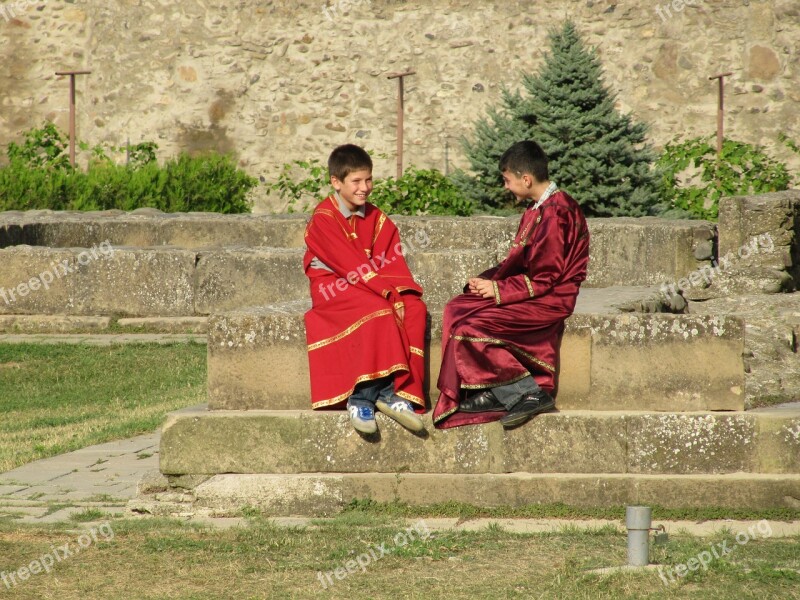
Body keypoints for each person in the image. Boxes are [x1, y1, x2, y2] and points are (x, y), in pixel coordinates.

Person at [433, 140, 590, 429]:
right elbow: (520, 262)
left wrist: (498, 290)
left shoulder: (557, 213)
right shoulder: (539, 208)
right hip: (533, 289)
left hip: (550, 298)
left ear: (526, 179)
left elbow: (546, 278)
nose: (505, 186)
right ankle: (490, 390)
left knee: (470, 329)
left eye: (507, 180)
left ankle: (527, 392)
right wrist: (486, 281)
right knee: (457, 307)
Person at [303, 144, 426, 434]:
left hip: (368, 283)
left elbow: (391, 259)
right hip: (334, 287)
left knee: (414, 308)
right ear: (336, 182)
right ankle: (365, 399)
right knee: (380, 310)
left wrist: (396, 290)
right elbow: (348, 264)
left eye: (368, 179)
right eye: (356, 181)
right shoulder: (324, 217)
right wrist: (383, 290)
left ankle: (398, 392)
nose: (364, 188)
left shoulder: (376, 217)